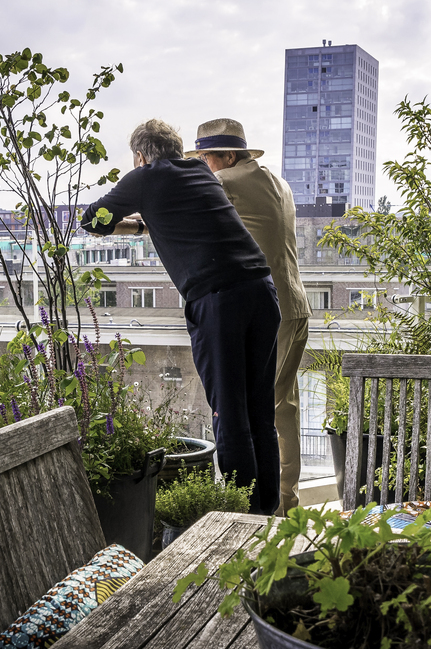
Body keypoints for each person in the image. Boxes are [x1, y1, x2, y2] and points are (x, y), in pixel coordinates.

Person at [79, 119, 282, 514]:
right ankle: (268, 514)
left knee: (229, 413)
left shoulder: (144, 177)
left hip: (219, 301)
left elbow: (92, 219)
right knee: (259, 409)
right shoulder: (199, 173)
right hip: (261, 291)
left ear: (140, 155)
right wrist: (147, 226)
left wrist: (134, 228)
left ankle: (243, 523)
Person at [186, 119, 310, 515]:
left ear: (228, 155)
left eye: (206, 157)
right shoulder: (280, 183)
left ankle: (257, 511)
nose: (204, 165)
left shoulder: (227, 184)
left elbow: (188, 220)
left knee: (253, 412)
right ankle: (286, 503)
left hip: (263, 311)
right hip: (296, 306)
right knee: (283, 409)